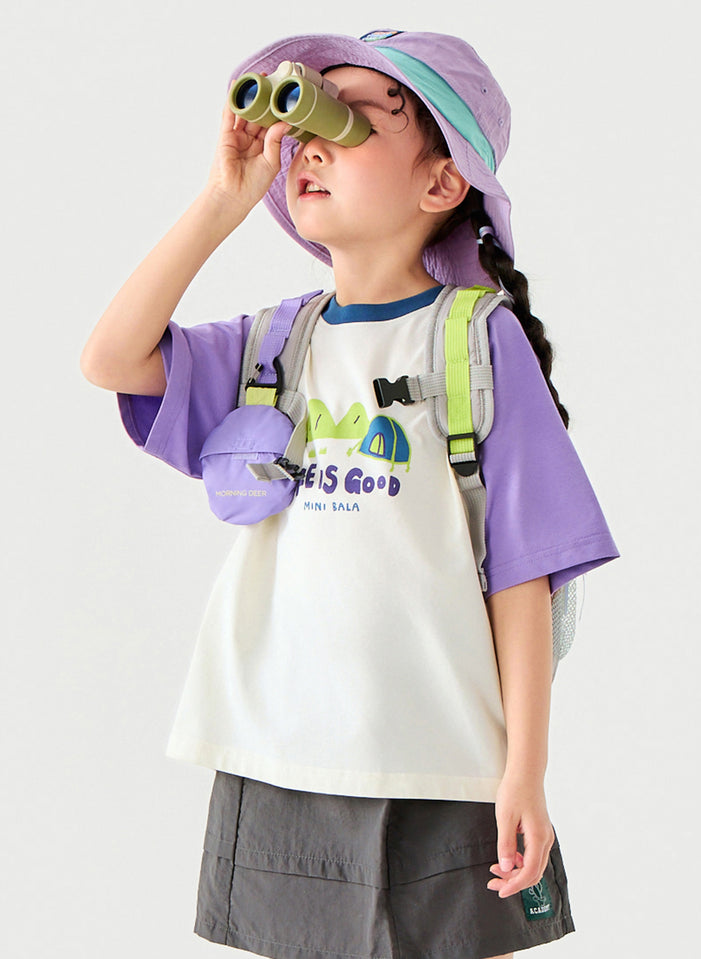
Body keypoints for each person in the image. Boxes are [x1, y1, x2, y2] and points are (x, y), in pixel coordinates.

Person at [81, 28, 620, 959]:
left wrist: (525, 770)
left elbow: (523, 570)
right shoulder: (274, 345)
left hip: (442, 764)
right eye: (307, 120)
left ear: (442, 183)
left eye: (355, 119)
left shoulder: (474, 341)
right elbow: (111, 359)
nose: (311, 144)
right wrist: (221, 202)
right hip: (278, 752)